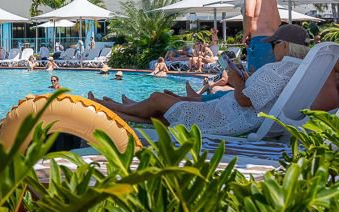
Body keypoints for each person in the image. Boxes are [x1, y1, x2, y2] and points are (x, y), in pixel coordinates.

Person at [89, 25, 310, 136]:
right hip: (240, 117)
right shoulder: (299, 71)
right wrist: (242, 78)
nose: (271, 49)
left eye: (273, 45)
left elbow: (244, 100)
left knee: (157, 98)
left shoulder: (278, 69)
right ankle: (118, 113)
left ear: (284, 45)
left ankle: (110, 107)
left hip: (229, 117)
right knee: (163, 114)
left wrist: (236, 78)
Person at [239, 0, 281, 73]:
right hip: (275, 43)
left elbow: (248, 13)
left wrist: (245, 35)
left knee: (255, 80)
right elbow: (279, 21)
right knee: (270, 79)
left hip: (259, 42)